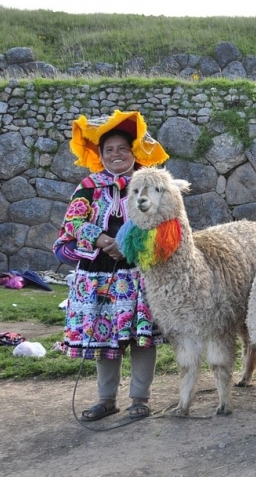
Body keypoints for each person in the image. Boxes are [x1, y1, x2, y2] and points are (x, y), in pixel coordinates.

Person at [53, 110, 169, 421]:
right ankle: (106, 399)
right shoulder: (89, 186)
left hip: (139, 273)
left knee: (140, 337)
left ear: (134, 152)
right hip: (98, 277)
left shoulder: (149, 184)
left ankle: (140, 399)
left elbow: (165, 222)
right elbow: (74, 222)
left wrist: (128, 243)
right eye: (109, 150)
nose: (116, 155)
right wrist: (104, 239)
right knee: (103, 337)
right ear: (101, 155)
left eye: (122, 148)